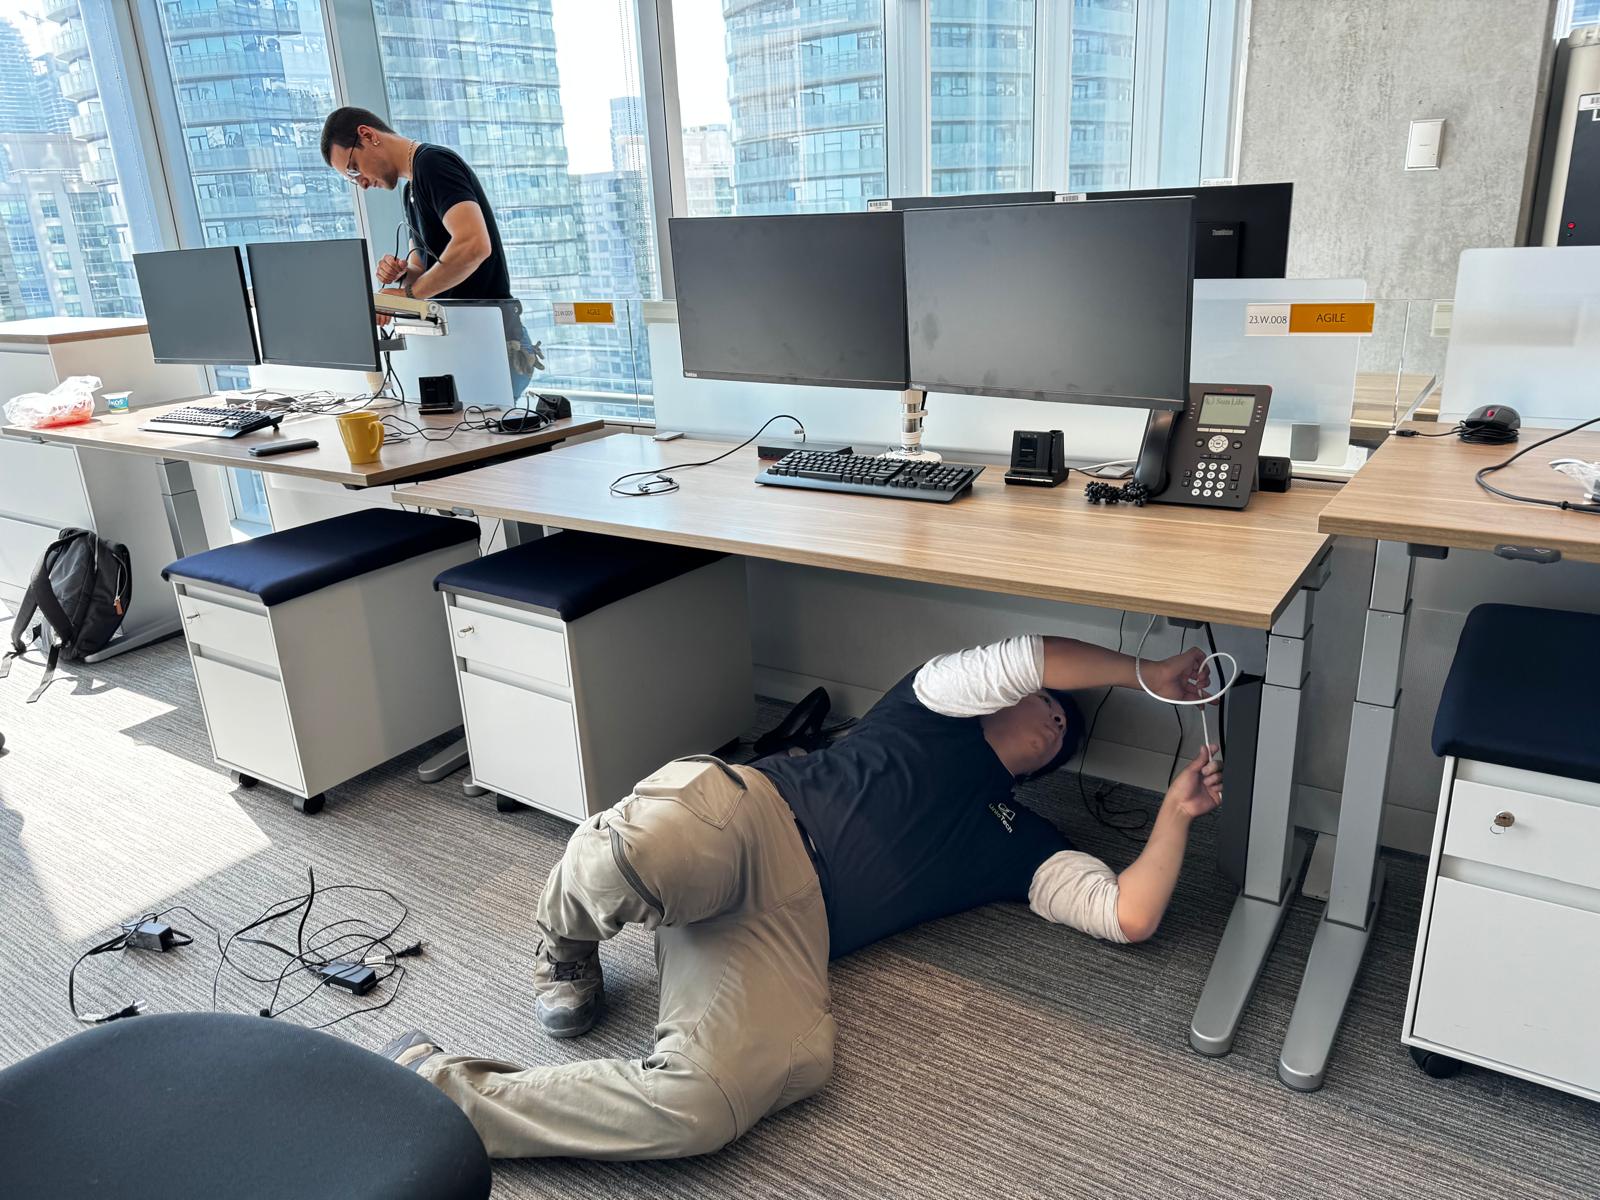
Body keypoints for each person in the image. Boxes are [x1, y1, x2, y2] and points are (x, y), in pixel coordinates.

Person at [380, 635, 1223, 1160]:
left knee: (708, 1105)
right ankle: (564, 943)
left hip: (782, 932)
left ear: (1050, 769)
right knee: (634, 853)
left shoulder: (1020, 839)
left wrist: (1176, 816)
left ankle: (444, 1093)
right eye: (1047, 708)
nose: (1052, 721)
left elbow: (1129, 913)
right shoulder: (928, 706)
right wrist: (1146, 672)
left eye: (1064, 736)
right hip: (748, 820)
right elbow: (1029, 657)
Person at [319, 106, 542, 400]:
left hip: (493, 344)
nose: (359, 182)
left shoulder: (433, 165)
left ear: (367, 135)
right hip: (467, 343)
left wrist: (411, 296)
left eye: (353, 168)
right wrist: (401, 274)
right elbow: (420, 267)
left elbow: (474, 245)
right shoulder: (412, 187)